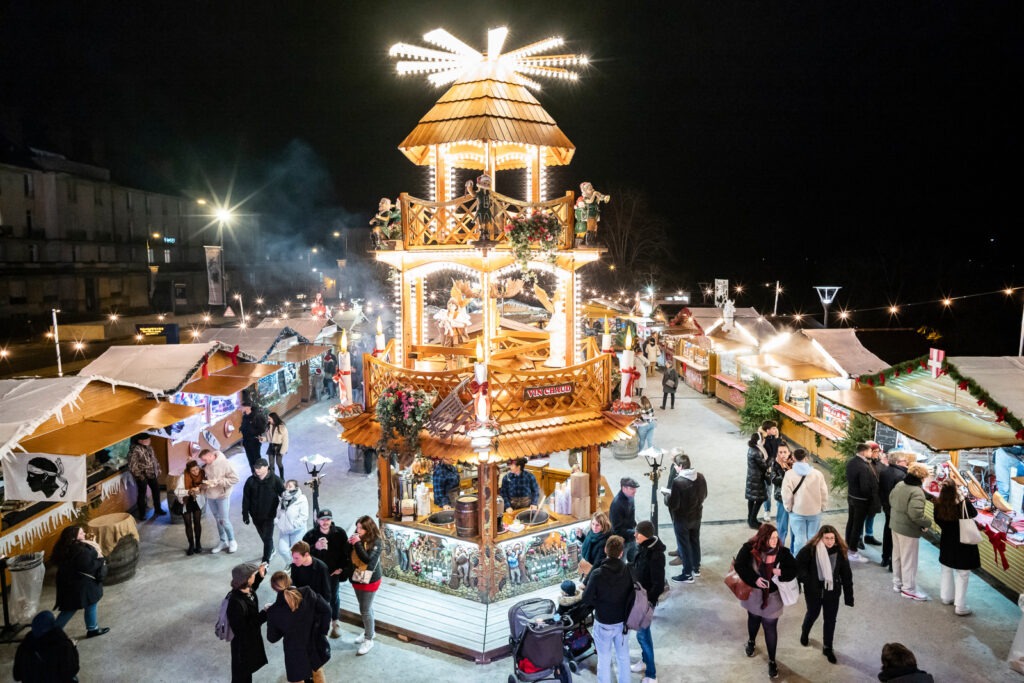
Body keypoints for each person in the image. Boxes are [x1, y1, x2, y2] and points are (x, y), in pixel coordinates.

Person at [736, 524, 798, 679]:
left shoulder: (782, 552)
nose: (775, 541)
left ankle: (771, 661)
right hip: (754, 594)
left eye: (777, 537)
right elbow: (739, 565)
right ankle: (751, 641)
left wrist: (781, 572)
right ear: (763, 538)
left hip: (773, 596)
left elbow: (795, 569)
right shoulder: (749, 548)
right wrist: (755, 579)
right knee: (754, 619)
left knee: (770, 627)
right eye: (771, 538)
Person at [795, 525, 853, 664]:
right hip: (813, 591)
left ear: (836, 539)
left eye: (832, 538)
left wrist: (848, 596)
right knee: (812, 614)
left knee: (830, 620)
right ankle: (805, 632)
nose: (830, 541)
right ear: (821, 538)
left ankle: (828, 647)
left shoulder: (840, 552)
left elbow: (846, 575)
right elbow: (798, 566)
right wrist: (807, 580)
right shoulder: (810, 550)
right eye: (826, 538)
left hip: (832, 592)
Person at [580, 535, 633, 683]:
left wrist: (598, 603)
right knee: (623, 657)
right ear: (621, 553)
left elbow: (586, 598)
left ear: (605, 550)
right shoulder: (628, 570)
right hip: (623, 622)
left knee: (604, 660)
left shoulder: (597, 574)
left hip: (603, 622)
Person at [266, 571, 331, 683]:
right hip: (314, 643)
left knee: (298, 679)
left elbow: (272, 638)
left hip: (294, 652)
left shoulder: (274, 611)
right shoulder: (307, 592)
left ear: (274, 589)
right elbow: (327, 609)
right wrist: (323, 631)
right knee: (317, 672)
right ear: (289, 580)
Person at [51, 526, 110, 638]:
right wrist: (101, 560)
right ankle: (52, 634)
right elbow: (88, 566)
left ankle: (92, 628)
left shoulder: (65, 547)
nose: (84, 534)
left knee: (79, 606)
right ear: (74, 536)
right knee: (77, 607)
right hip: (81, 584)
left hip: (70, 583)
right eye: (81, 533)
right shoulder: (80, 550)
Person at [303, 509, 352, 639]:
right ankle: (321, 623)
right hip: (316, 575)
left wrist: (341, 568)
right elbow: (303, 555)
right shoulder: (310, 536)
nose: (325, 522)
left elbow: (346, 552)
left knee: (334, 597)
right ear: (317, 520)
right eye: (322, 519)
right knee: (318, 597)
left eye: (328, 519)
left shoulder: (339, 533)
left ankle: (335, 622)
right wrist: (315, 547)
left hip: (333, 573)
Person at [933, 478, 980, 616]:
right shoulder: (963, 502)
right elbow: (974, 514)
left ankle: (946, 597)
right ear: (955, 490)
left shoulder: (938, 503)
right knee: (963, 573)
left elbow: (937, 520)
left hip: (947, 541)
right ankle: (960, 606)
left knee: (946, 569)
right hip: (963, 542)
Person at [889, 463, 932, 601]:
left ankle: (897, 583)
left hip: (895, 525)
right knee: (909, 560)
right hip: (908, 530)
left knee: (897, 556)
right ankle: (908, 589)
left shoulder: (900, 484)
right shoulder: (917, 492)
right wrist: (927, 523)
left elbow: (890, 500)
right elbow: (916, 514)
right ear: (922, 477)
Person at [630, 520, 666, 683]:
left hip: (645, 602)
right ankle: (645, 662)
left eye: (638, 533)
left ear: (646, 535)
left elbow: (658, 584)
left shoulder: (655, 555)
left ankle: (651, 674)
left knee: (644, 635)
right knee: (641, 634)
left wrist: (647, 604)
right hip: (639, 598)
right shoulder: (644, 547)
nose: (635, 535)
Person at [666, 452, 707, 584]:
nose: (675, 468)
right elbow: (704, 495)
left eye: (675, 466)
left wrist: (666, 497)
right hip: (696, 516)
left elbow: (673, 504)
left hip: (682, 519)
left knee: (684, 545)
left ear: (680, 466)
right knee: (695, 541)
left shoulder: (678, 482)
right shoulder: (700, 477)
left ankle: (687, 573)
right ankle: (696, 568)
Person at [782, 448, 830, 557]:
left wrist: (788, 507)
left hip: (797, 511)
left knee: (799, 539)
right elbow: (824, 492)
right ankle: (812, 561)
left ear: (793, 458)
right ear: (806, 458)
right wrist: (822, 506)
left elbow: (786, 494)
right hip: (815, 511)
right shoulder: (818, 474)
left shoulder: (789, 474)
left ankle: (798, 563)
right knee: (813, 538)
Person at [226, 562, 269, 683]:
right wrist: (264, 614)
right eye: (253, 575)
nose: (254, 576)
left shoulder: (245, 589)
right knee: (241, 675)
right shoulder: (235, 603)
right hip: (242, 646)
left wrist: (260, 575)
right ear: (246, 579)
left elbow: (253, 587)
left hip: (250, 642)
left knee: (247, 671)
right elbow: (243, 630)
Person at [349, 515, 384, 655]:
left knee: (364, 609)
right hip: (357, 577)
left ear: (368, 529)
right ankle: (370, 631)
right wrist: (349, 543)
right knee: (366, 608)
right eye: (357, 527)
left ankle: (368, 639)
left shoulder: (376, 541)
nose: (357, 530)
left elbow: (367, 559)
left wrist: (356, 543)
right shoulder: (357, 538)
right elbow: (349, 555)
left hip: (370, 579)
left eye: (360, 528)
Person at [13, 611, 79, 683]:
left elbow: (17, 676)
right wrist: (73, 648)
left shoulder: (24, 646)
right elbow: (71, 671)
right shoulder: (63, 645)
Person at [242, 459, 285, 565]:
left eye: (260, 468)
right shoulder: (250, 481)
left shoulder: (275, 480)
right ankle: (271, 549)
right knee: (263, 536)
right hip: (255, 516)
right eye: (256, 467)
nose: (257, 470)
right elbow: (246, 499)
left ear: (267, 467)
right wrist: (245, 514)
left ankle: (266, 560)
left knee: (267, 537)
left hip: (270, 515)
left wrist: (283, 513)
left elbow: (284, 496)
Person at [199, 448, 240, 554]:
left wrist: (219, 482)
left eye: (205, 459)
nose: (204, 462)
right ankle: (223, 541)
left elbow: (235, 479)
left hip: (222, 496)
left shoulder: (225, 463)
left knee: (224, 520)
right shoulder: (207, 467)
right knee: (218, 520)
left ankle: (232, 541)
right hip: (211, 496)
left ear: (211, 456)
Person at [879, 452, 914, 570]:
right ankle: (893, 564)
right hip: (897, 509)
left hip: (887, 506)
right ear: (898, 462)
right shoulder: (902, 475)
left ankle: (885, 558)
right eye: (904, 461)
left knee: (887, 532)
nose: (907, 463)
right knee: (896, 537)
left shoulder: (884, 472)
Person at [845, 443, 878, 563]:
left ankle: (847, 546)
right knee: (857, 526)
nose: (871, 454)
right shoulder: (863, 466)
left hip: (851, 497)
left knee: (851, 522)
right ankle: (853, 551)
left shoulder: (851, 462)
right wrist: (871, 496)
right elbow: (864, 487)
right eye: (870, 451)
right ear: (864, 452)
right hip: (861, 501)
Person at [173, 458, 206, 555]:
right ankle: (191, 545)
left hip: (197, 501)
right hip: (186, 501)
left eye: (197, 469)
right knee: (188, 524)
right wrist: (189, 491)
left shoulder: (202, 474)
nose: (196, 472)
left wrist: (201, 489)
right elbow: (176, 491)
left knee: (197, 522)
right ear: (188, 471)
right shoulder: (183, 477)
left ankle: (198, 544)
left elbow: (205, 487)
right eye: (193, 470)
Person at [127, 433, 164, 520]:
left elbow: (154, 460)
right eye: (147, 440)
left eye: (149, 439)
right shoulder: (135, 450)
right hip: (142, 476)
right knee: (142, 495)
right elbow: (132, 465)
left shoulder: (149, 448)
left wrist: (158, 470)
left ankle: (158, 509)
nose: (149, 441)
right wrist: (140, 476)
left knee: (156, 491)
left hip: (152, 474)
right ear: (141, 441)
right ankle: (142, 514)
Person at [289, 540, 332, 609]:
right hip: (300, 602)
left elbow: (326, 592)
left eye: (296, 558)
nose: (293, 561)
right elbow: (293, 581)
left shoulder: (322, 568)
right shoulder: (295, 565)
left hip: (316, 604)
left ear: (306, 555)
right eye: (293, 557)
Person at [276, 480, 310, 564]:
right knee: (282, 549)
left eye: (290, 486)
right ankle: (291, 564)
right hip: (284, 530)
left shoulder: (301, 499)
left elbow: (304, 516)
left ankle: (296, 565)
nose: (287, 488)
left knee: (296, 551)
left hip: (297, 530)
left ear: (296, 487)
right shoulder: (283, 498)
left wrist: (293, 526)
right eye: (286, 486)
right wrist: (277, 522)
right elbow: (278, 513)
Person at [861, 441, 885, 548]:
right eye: (874, 451)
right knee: (862, 518)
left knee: (871, 516)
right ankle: (859, 538)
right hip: (865, 498)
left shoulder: (878, 463)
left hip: (875, 497)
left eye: (878, 451)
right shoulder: (863, 464)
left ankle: (869, 536)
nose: (877, 454)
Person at [770, 442, 794, 549]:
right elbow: (774, 479)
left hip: (795, 500)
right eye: (780, 452)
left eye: (785, 452)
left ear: (789, 453)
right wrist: (785, 473)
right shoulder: (775, 464)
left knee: (795, 529)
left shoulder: (794, 463)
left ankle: (795, 551)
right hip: (782, 499)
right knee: (782, 527)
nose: (783, 454)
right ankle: (779, 549)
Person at [576, 510, 612, 582]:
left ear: (603, 525)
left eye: (597, 525)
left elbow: (597, 564)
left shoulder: (604, 541)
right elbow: (590, 544)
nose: (594, 527)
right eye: (593, 524)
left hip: (594, 570)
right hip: (587, 563)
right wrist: (581, 536)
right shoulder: (592, 532)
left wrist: (586, 581)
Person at [610, 477, 639, 562]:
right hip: (622, 542)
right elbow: (617, 530)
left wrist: (636, 528)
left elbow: (631, 517)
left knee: (634, 561)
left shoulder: (630, 497)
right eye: (632, 488)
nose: (634, 491)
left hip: (632, 538)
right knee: (621, 566)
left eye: (635, 488)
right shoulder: (617, 504)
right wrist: (634, 532)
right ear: (623, 488)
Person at [745, 432, 770, 529]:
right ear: (759, 440)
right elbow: (764, 465)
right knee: (760, 499)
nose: (764, 440)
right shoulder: (757, 452)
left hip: (751, 477)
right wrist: (770, 461)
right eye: (763, 438)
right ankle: (752, 520)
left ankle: (750, 519)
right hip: (757, 478)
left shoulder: (751, 449)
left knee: (751, 499)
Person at [239, 400, 268, 475]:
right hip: (246, 441)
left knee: (256, 458)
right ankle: (254, 474)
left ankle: (261, 474)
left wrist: (252, 432)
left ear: (247, 407)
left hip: (254, 441)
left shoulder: (256, 416)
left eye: (241, 407)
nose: (240, 409)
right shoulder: (245, 417)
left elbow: (262, 428)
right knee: (250, 459)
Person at [761, 422, 780, 521]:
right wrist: (776, 439)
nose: (775, 430)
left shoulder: (776, 439)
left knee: (778, 490)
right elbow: (772, 453)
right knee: (768, 491)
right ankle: (767, 511)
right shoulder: (764, 441)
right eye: (773, 428)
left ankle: (779, 510)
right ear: (767, 430)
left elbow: (779, 452)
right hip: (768, 469)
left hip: (777, 469)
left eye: (776, 428)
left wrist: (777, 438)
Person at [266, 412, 290, 480]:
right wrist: (263, 439)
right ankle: (272, 478)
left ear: (274, 418)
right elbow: (269, 439)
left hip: (279, 447)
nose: (268, 420)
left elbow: (285, 440)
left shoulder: (282, 427)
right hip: (271, 446)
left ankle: (282, 478)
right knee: (271, 464)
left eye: (269, 419)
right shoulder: (269, 426)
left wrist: (283, 451)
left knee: (279, 463)